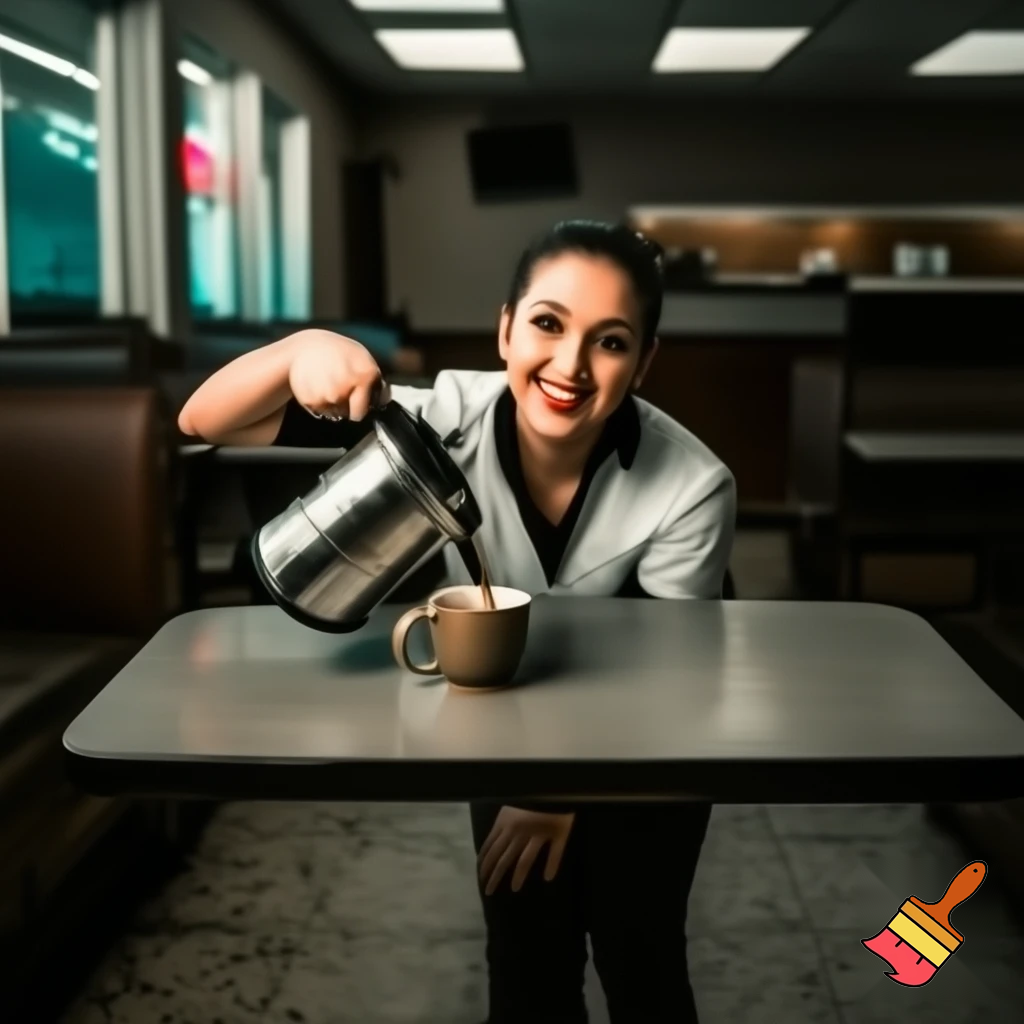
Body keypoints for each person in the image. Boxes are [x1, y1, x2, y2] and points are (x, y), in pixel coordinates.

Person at [179, 220, 736, 1023]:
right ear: (505, 328)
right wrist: (298, 351)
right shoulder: (438, 417)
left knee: (640, 955)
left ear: (645, 361)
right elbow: (204, 422)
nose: (571, 365)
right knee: (525, 964)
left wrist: (556, 793)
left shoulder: (693, 483)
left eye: (610, 342)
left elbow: (666, 674)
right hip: (506, 727)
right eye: (547, 324)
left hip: (646, 754)